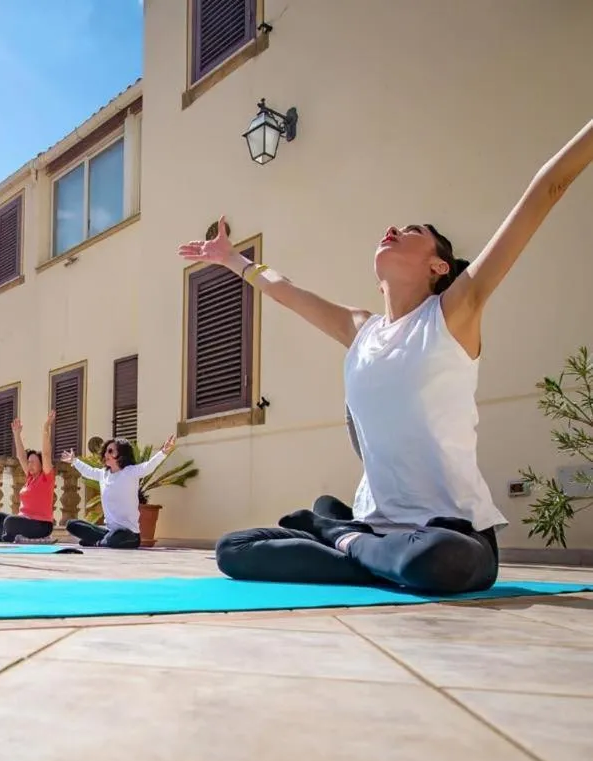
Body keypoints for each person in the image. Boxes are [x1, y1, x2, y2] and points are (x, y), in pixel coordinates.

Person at [179, 117, 593, 594]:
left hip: (449, 534)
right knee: (235, 548)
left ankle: (337, 534)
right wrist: (233, 260)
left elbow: (547, 189)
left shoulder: (454, 312)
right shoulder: (361, 330)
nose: (394, 228)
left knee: (441, 563)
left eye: (413, 231)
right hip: (379, 527)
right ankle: (358, 542)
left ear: (438, 266)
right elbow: (286, 292)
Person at [62, 435, 176, 548]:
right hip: (109, 531)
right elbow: (89, 471)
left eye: (111, 451)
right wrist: (74, 461)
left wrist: (163, 452)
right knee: (72, 524)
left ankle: (99, 542)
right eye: (106, 451)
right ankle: (103, 541)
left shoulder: (130, 472)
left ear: (121, 454)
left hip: (129, 534)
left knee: (116, 537)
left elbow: (148, 467)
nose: (106, 454)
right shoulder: (103, 474)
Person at [0, 411, 57, 543]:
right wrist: (16, 434)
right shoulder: (30, 479)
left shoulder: (46, 477)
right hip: (24, 521)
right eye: (29, 462)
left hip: (41, 525)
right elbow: (21, 456)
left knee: (10, 521)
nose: (29, 465)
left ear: (41, 464)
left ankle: (8, 536)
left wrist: (46, 428)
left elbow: (47, 454)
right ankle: (9, 536)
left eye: (33, 462)